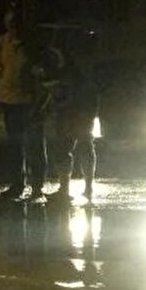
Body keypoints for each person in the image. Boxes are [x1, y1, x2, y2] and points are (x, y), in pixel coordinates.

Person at [0, 3, 46, 200]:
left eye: (14, 24)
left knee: (34, 143)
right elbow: (1, 66)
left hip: (29, 99)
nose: (11, 28)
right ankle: (17, 183)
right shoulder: (2, 42)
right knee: (15, 145)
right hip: (10, 99)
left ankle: (36, 185)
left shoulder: (31, 44)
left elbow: (39, 68)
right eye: (8, 24)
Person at [46, 49, 99, 202]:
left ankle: (67, 189)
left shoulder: (64, 72)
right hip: (81, 110)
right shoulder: (84, 68)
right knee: (83, 147)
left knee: (66, 148)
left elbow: (59, 93)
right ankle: (85, 188)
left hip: (72, 112)